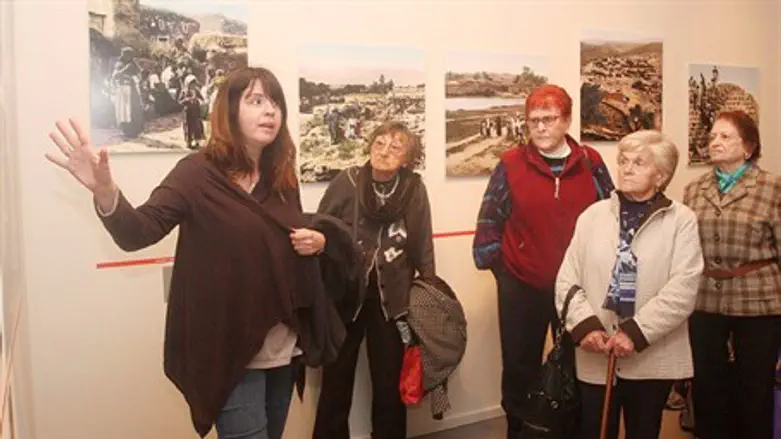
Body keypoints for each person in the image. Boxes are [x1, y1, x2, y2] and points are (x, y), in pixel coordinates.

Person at [45, 67, 350, 439]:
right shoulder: (196, 174)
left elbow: (283, 234)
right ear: (229, 110)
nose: (270, 111)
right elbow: (138, 231)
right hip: (228, 350)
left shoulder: (282, 177)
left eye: (275, 102)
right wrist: (105, 192)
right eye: (255, 101)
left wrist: (317, 241)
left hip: (282, 346)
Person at [471, 84, 614, 439]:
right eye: (533, 120)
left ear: (566, 120)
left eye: (549, 119)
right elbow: (489, 222)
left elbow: (610, 216)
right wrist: (503, 272)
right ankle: (519, 431)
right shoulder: (510, 164)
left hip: (577, 290)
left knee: (575, 368)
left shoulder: (590, 162)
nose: (540, 127)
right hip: (522, 285)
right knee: (519, 368)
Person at [556, 130, 704, 439]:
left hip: (652, 356)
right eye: (623, 161)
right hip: (595, 351)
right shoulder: (592, 216)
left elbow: (683, 289)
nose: (627, 168)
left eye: (639, 162)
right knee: (594, 431)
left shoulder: (682, 221)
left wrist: (635, 333)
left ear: (661, 175)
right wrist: (585, 326)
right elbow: (567, 279)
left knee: (644, 431)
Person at [312, 121, 436, 439]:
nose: (384, 151)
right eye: (379, 142)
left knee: (388, 383)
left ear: (407, 158)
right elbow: (320, 229)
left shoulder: (414, 188)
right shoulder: (347, 181)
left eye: (395, 147)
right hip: (345, 297)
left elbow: (422, 244)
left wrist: (428, 293)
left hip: (391, 302)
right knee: (336, 381)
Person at [683, 110, 781, 439]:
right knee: (707, 387)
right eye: (712, 137)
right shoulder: (694, 190)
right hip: (706, 301)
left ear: (749, 147)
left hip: (759, 303)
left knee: (754, 389)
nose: (715, 142)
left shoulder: (772, 188)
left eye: (726, 137)